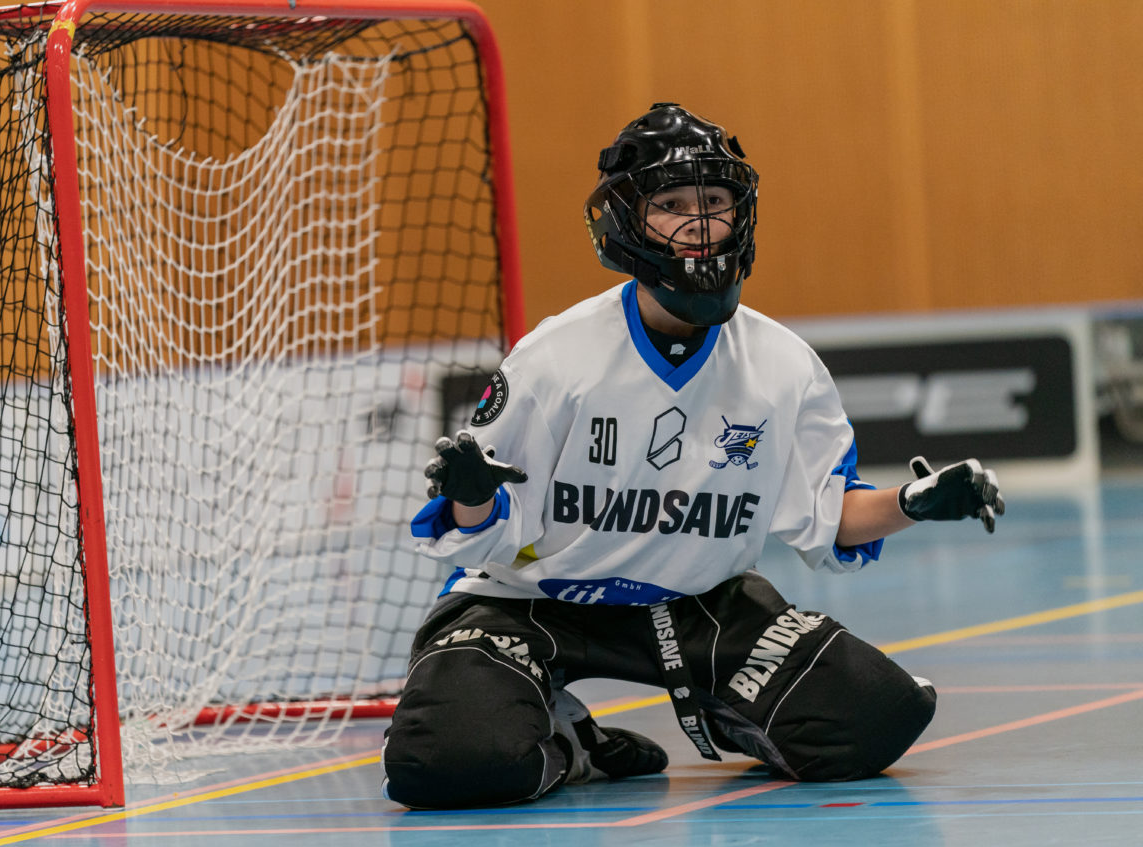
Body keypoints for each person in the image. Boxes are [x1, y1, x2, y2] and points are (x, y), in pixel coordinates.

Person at [381, 102, 1004, 810]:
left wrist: (913, 504)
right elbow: (487, 526)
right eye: (671, 204)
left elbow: (828, 515)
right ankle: (577, 744)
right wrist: (472, 495)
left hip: (695, 608)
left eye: (715, 202)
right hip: (528, 602)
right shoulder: (555, 358)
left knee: (875, 720)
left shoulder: (784, 364)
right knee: (445, 762)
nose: (700, 223)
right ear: (623, 221)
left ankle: (727, 707)